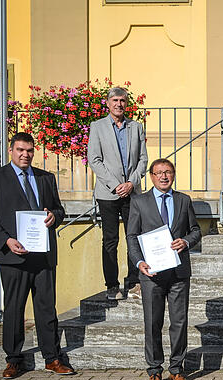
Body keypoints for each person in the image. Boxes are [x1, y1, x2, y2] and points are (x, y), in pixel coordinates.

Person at [0, 132, 75, 379]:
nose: (26, 154)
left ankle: (52, 358)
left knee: (46, 308)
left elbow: (58, 209)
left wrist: (54, 217)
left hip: (42, 255)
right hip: (13, 256)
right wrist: (6, 240)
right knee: (14, 308)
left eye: (30, 150)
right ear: (11, 150)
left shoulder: (46, 178)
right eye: (21, 150)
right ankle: (13, 360)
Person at [127, 158, 202, 380]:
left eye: (168, 172)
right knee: (153, 322)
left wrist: (186, 242)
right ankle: (155, 371)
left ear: (174, 175)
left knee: (179, 322)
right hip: (151, 273)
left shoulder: (183, 200)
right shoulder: (139, 202)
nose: (164, 176)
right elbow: (131, 236)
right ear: (151, 176)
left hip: (178, 272)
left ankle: (178, 370)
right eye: (159, 172)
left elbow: (196, 230)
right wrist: (138, 262)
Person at [88, 86, 149, 300]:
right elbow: (94, 159)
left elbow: (143, 159)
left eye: (122, 100)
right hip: (108, 193)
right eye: (115, 100)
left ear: (126, 103)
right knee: (110, 240)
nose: (119, 104)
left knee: (134, 237)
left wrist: (131, 182)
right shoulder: (97, 127)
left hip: (132, 192)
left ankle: (134, 282)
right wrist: (116, 185)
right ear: (108, 103)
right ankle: (112, 286)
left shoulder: (136, 127)